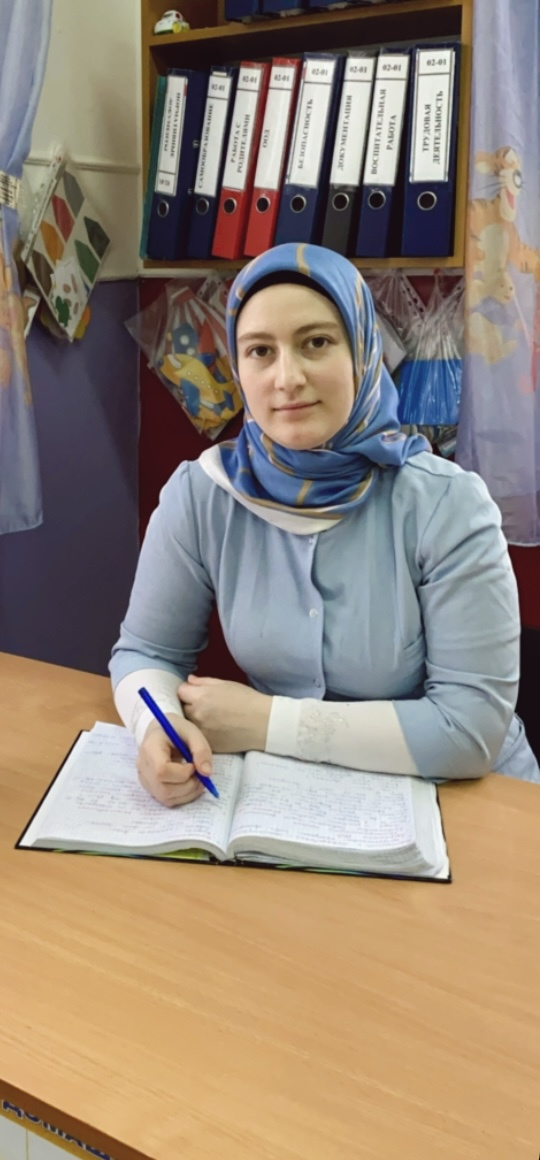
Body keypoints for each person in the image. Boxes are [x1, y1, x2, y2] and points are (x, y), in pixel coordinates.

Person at [110, 243, 539, 807]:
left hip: (470, 804)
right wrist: (156, 727)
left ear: (362, 352)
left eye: (315, 342)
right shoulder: (203, 493)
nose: (287, 378)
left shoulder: (448, 505)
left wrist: (267, 723)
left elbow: (469, 730)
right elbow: (146, 651)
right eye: (260, 351)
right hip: (297, 802)